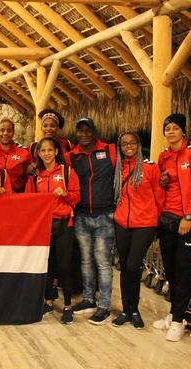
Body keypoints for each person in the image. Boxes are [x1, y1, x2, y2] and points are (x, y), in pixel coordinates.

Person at [154, 114, 191, 342]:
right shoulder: (164, 156)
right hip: (168, 219)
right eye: (167, 129)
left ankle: (179, 321)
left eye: (175, 128)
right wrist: (163, 182)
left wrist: (189, 216)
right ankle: (173, 313)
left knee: (184, 269)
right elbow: (164, 184)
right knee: (170, 268)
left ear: (184, 131)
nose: (170, 132)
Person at [25, 137, 80, 324]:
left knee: (64, 265)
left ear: (56, 151)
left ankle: (67, 306)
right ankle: (47, 300)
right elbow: (29, 201)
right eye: (43, 151)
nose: (47, 154)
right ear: (38, 154)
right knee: (45, 263)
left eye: (50, 150)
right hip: (43, 225)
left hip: (64, 224)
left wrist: (65, 194)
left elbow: (77, 198)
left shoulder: (67, 172)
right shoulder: (35, 176)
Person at [112, 132, 164, 329]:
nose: (128, 146)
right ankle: (126, 310)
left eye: (132, 142)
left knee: (133, 266)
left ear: (138, 144)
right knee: (125, 267)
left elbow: (159, 195)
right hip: (122, 223)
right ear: (120, 146)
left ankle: (135, 309)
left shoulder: (150, 168)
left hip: (145, 223)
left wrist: (158, 223)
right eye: (124, 143)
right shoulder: (118, 168)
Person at [68, 117, 117, 325]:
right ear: (76, 134)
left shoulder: (110, 151)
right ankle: (89, 299)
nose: (84, 134)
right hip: (81, 216)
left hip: (105, 215)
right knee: (86, 260)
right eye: (80, 131)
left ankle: (104, 305)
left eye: (88, 130)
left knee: (103, 262)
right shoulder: (71, 156)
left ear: (94, 132)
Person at [0, 118, 31, 192]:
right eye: (2, 130)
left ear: (13, 133)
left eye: (9, 130)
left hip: (16, 196)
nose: (5, 133)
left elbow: (29, 178)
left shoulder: (24, 152)